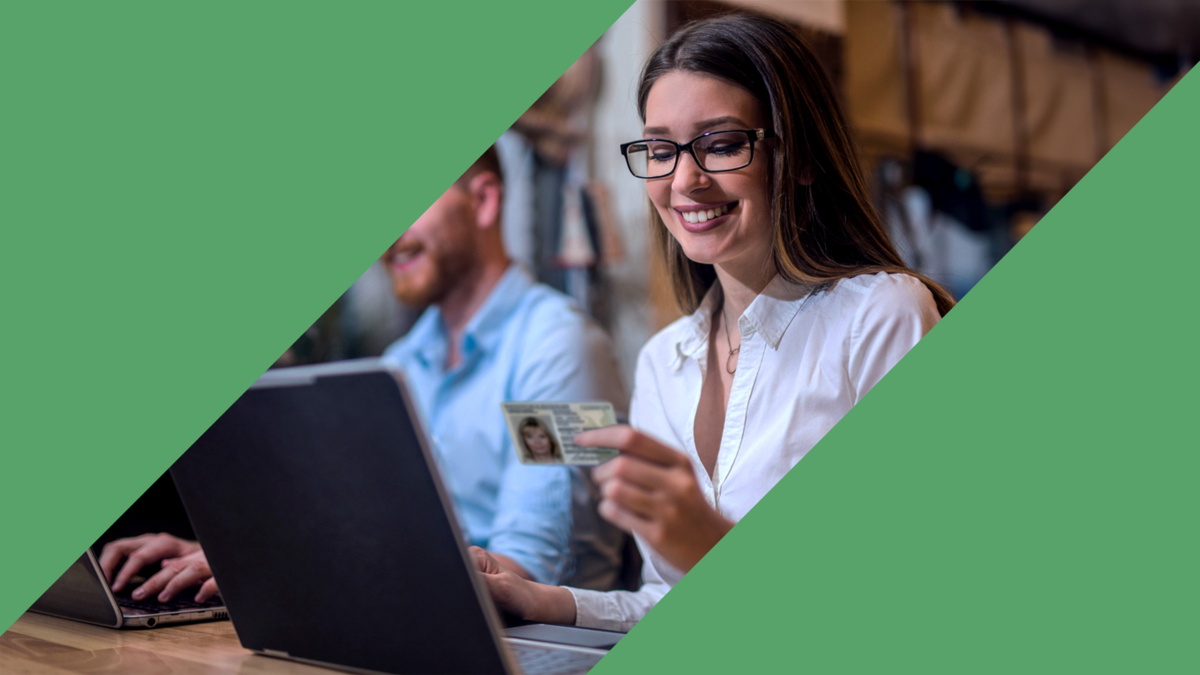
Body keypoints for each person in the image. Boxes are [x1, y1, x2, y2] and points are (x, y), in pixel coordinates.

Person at [469, 14, 955, 633]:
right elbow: (665, 600)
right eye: (660, 149)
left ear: (800, 157)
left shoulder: (882, 316)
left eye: (722, 144)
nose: (684, 181)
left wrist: (706, 543)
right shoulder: (661, 361)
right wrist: (542, 601)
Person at [101, 146, 630, 601]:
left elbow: (534, 571)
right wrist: (229, 558)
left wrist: (297, 570)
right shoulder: (400, 363)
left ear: (484, 200)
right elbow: (355, 534)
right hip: (414, 620)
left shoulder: (559, 347)